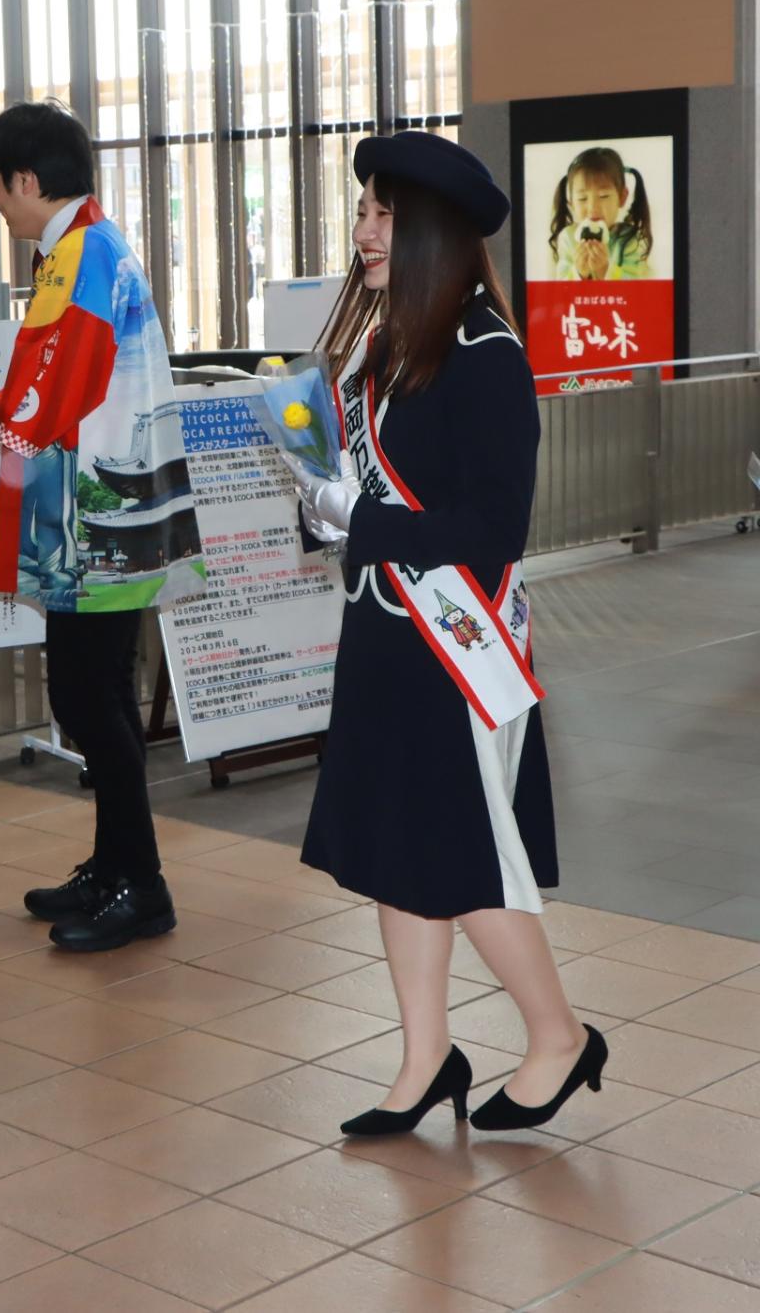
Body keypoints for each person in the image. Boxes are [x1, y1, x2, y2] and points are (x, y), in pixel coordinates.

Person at [288, 131, 604, 1136]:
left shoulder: (484, 354)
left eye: (381, 215)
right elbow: (376, 487)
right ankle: (426, 1055)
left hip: (452, 650)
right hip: (383, 635)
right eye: (362, 212)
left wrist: (358, 517)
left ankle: (557, 1034)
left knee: (467, 860)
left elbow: (492, 528)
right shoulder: (389, 344)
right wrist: (325, 507)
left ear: (428, 231)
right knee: (396, 851)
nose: (361, 231)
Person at [0, 100, 202, 953]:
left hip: (98, 522)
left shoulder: (81, 259)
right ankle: (115, 866)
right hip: (97, 517)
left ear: (28, 181)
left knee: (86, 697)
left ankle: (141, 884)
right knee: (99, 693)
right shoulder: (83, 248)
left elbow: (42, 403)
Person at [547, 146, 653, 281]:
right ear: (572, 203)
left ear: (622, 198)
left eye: (603, 196)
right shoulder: (568, 238)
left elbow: (637, 289)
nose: (593, 207)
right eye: (582, 199)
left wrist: (605, 270)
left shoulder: (630, 239)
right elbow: (560, 291)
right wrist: (579, 273)